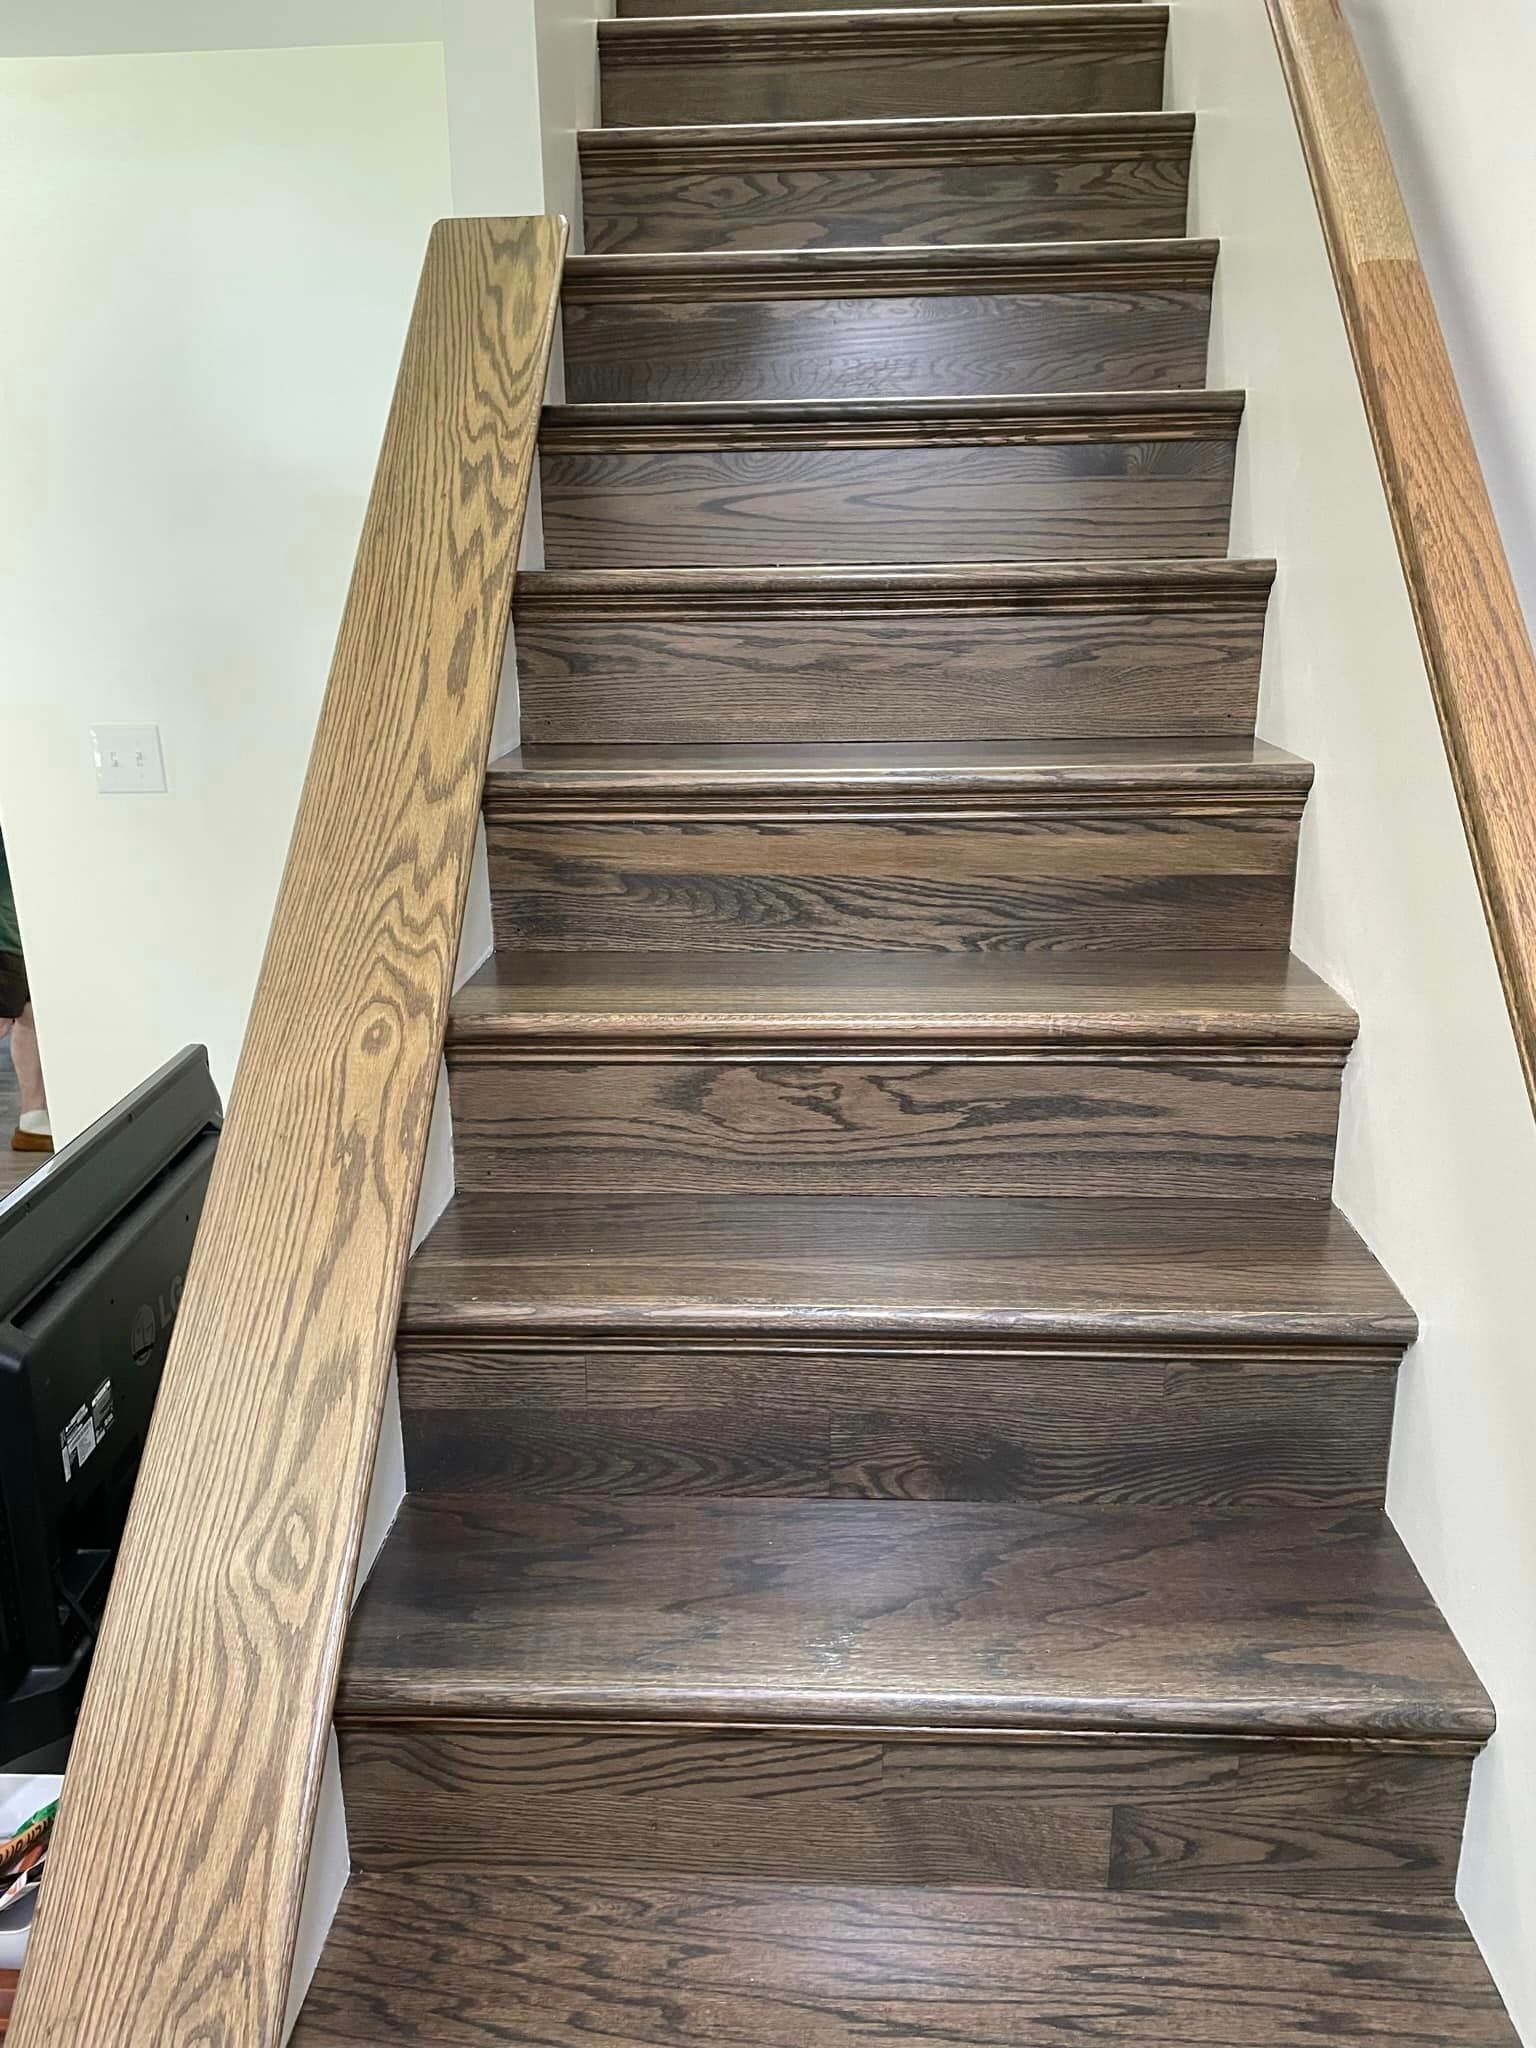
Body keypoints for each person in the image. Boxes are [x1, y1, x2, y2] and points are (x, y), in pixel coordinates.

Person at [0, 830, 51, 1155]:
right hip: (6, 935)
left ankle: (33, 1119)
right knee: (5, 1019)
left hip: (24, 929)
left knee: (31, 1016)